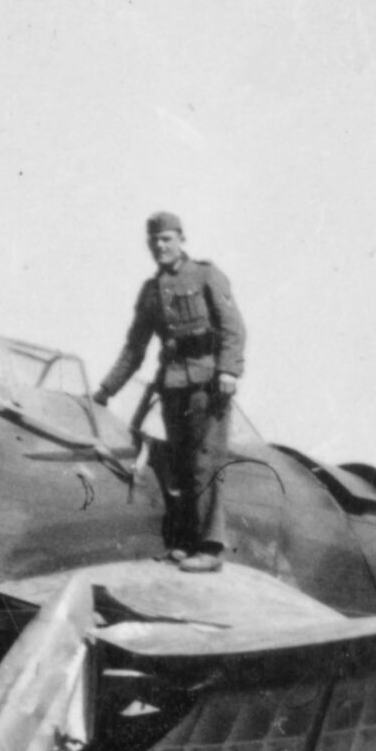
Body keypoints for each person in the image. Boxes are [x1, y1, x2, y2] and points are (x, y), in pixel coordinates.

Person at [91, 211, 246, 572]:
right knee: (178, 466)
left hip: (209, 385)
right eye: (154, 241)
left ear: (181, 240)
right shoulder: (151, 291)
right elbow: (134, 348)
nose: (160, 246)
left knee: (205, 462)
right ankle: (185, 543)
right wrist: (104, 390)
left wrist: (228, 370)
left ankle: (210, 549)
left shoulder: (207, 275)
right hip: (173, 386)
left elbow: (233, 328)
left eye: (166, 239)